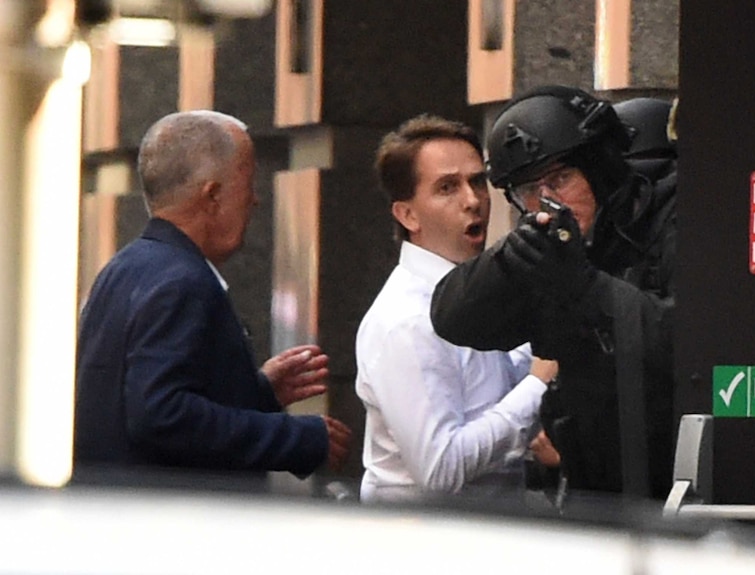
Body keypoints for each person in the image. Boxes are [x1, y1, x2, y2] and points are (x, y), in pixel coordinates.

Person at [74, 110, 351, 486]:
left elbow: (139, 402)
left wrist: (258, 392)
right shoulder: (182, 282)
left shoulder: (124, 268)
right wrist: (296, 438)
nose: (254, 200)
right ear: (213, 195)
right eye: (248, 182)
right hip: (172, 532)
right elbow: (162, 416)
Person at [430, 86, 677, 501]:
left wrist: (586, 288)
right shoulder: (552, 244)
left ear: (597, 169)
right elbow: (453, 317)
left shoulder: (671, 219)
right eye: (529, 191)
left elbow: (684, 344)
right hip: (593, 490)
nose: (547, 200)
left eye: (560, 179)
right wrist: (512, 257)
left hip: (675, 488)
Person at [355, 114, 557, 504]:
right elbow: (439, 469)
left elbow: (493, 392)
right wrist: (537, 384)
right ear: (407, 214)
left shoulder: (479, 289)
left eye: (478, 181)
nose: (473, 201)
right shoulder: (407, 320)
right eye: (447, 187)